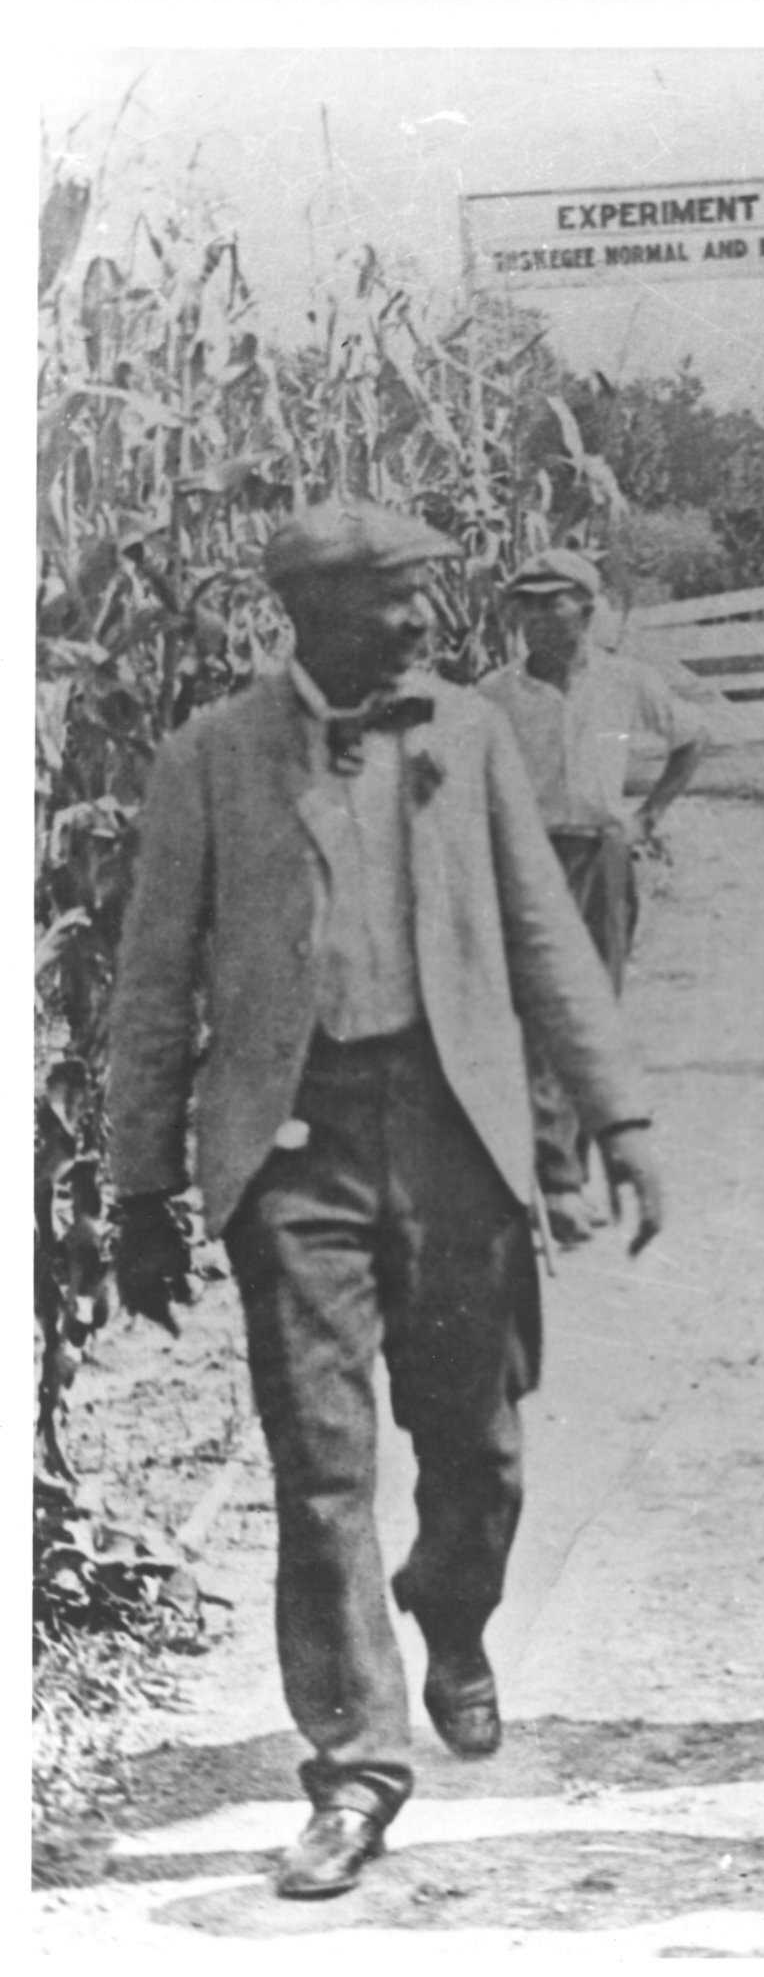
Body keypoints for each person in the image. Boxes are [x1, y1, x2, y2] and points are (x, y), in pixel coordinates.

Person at [106, 502, 664, 1900]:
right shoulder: (210, 758)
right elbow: (153, 981)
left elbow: (543, 937)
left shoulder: (465, 737)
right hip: (293, 1151)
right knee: (324, 1465)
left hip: (454, 1133)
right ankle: (353, 1766)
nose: (420, 623)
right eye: (388, 603)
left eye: (425, 598)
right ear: (308, 611)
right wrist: (136, 1182)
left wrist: (622, 1119)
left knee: (476, 1449)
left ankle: (453, 1617)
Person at [480, 548, 706, 1243]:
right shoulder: (494, 696)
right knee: (532, 1011)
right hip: (525, 859)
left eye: (557, 602)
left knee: (590, 1008)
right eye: (528, 604)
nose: (543, 619)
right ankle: (548, 1177)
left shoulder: (625, 682)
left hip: (600, 854)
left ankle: (564, 1175)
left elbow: (691, 740)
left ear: (588, 608)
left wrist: (647, 818)